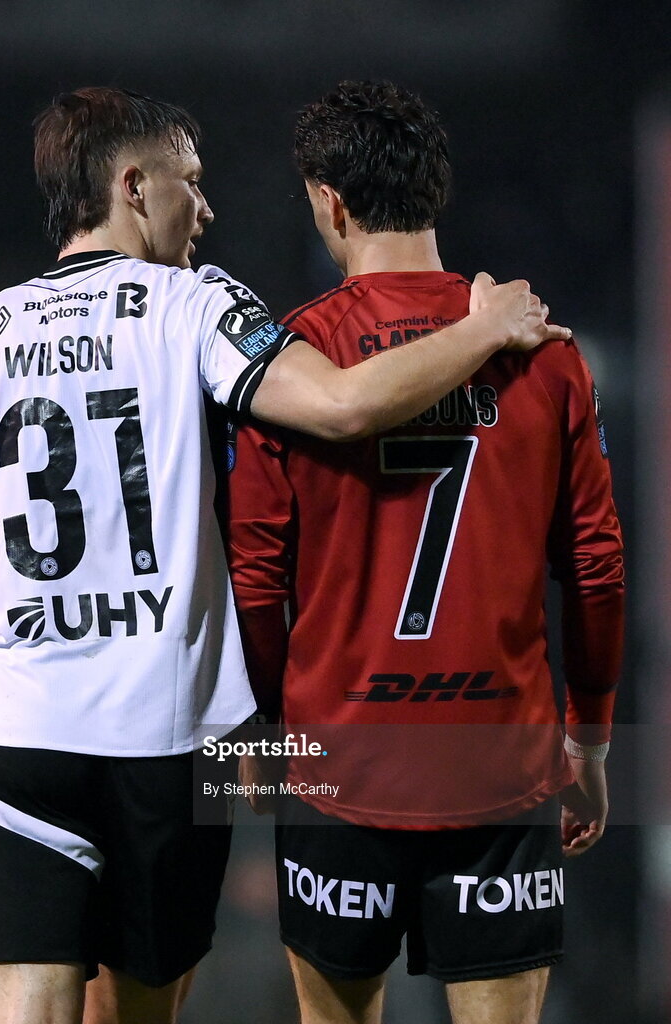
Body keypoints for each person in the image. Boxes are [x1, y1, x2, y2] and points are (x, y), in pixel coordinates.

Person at [0, 85, 568, 1024]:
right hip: (165, 749)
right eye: (189, 183)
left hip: (15, 743)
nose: (205, 209)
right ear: (133, 186)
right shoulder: (196, 305)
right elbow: (344, 406)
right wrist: (484, 330)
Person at [227, 80, 624, 1024]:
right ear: (435, 193)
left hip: (338, 763)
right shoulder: (545, 352)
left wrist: (260, 742)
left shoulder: (294, 363)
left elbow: (255, 579)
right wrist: (593, 739)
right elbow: (599, 568)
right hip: (500, 760)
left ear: (329, 200)